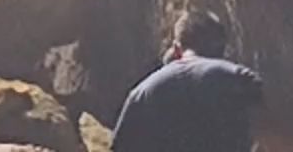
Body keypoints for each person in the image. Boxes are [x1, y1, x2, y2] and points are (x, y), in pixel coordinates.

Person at [111, 8, 267, 152]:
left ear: (177, 49)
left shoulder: (142, 93)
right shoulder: (238, 78)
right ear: (222, 47)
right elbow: (277, 138)